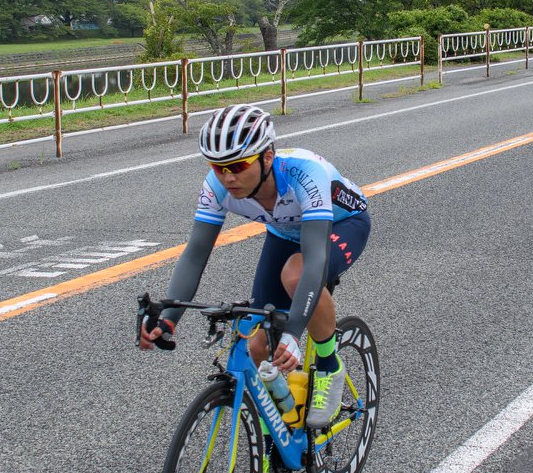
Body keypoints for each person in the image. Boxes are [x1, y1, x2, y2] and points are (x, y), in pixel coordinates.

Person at [137, 103, 370, 431]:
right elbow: (196, 253)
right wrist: (169, 319)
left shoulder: (305, 174)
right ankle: (283, 432)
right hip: (284, 233)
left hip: (341, 225)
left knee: (297, 274)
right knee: (258, 345)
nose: (228, 177)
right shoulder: (217, 186)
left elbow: (315, 260)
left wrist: (292, 334)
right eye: (219, 168)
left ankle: (330, 367)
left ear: (267, 158)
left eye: (238, 165)